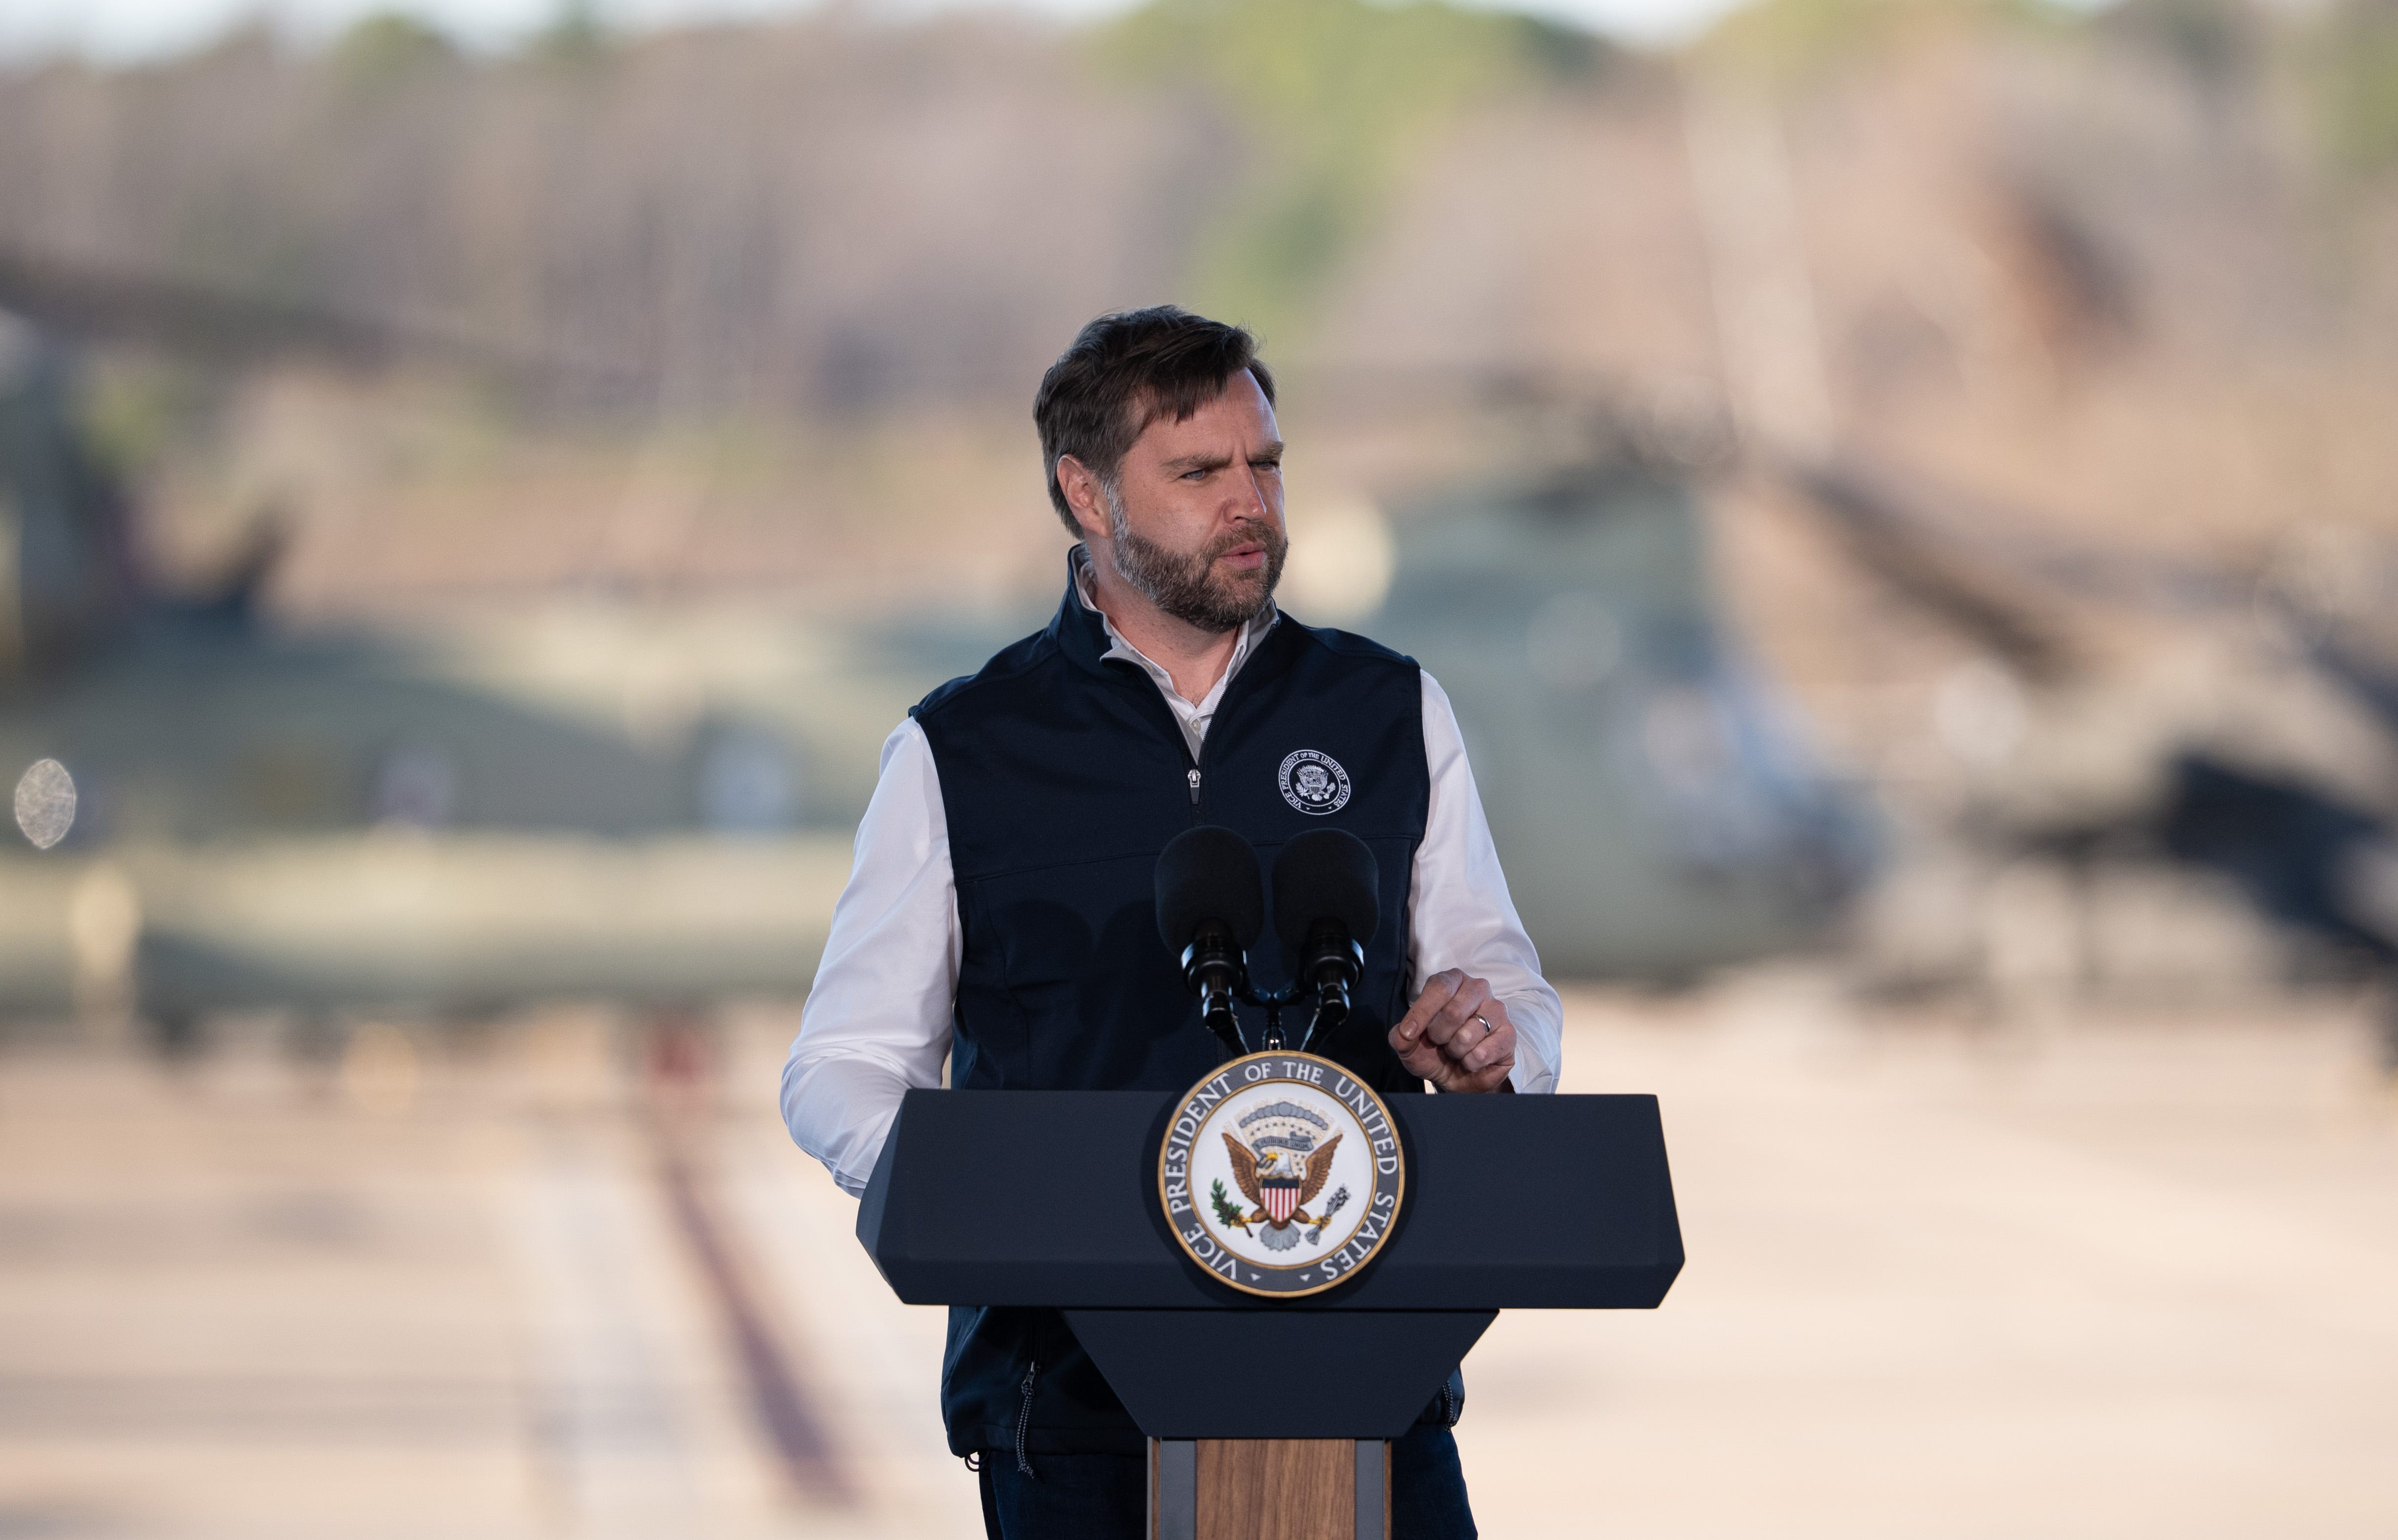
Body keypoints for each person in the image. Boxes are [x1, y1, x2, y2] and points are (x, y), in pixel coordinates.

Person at [781, 305, 1561, 1540]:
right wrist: (993, 1203)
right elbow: (841, 1068)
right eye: (1199, 473)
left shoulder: (1388, 709)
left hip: (1366, 1383)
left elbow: (1502, 987)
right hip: (1070, 1411)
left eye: (1265, 464)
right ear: (1086, 497)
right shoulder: (961, 750)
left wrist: (1491, 1046)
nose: (1249, 502)